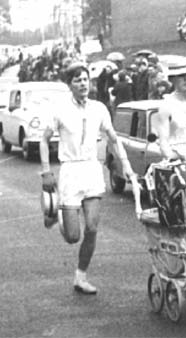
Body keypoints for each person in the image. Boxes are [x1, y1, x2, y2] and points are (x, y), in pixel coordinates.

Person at [40, 63, 134, 294]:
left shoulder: (99, 108)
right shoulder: (60, 109)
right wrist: (46, 172)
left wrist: (127, 166)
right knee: (73, 237)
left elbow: (113, 138)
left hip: (92, 170)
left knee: (92, 228)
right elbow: (44, 140)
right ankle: (55, 214)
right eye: (77, 80)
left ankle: (80, 277)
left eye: (85, 79)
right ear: (69, 84)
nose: (83, 84)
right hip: (70, 171)